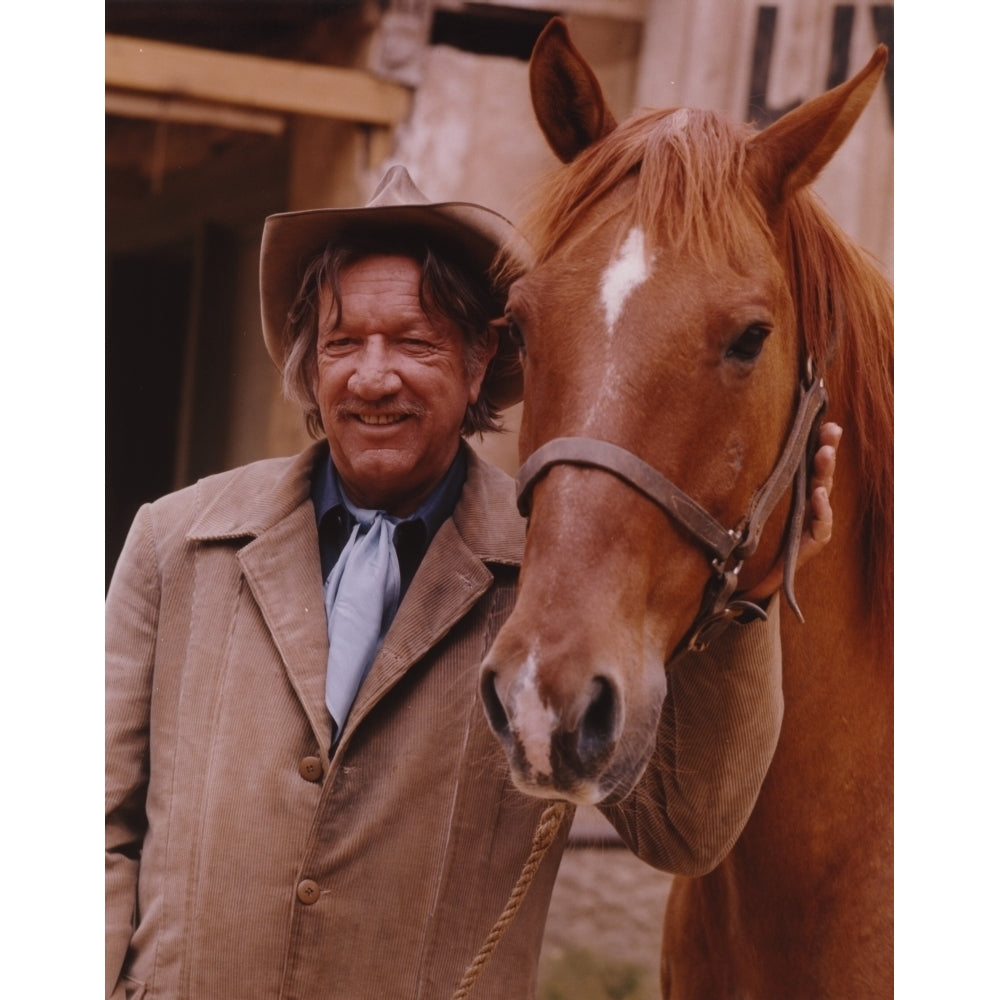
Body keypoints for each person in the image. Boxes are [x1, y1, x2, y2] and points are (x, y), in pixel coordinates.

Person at [106, 165, 839, 1000]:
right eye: (344, 343)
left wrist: (748, 603)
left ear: (481, 354)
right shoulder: (175, 541)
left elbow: (686, 833)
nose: (373, 377)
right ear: (312, 364)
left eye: (414, 343)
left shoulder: (558, 579)